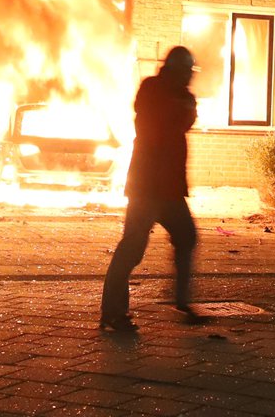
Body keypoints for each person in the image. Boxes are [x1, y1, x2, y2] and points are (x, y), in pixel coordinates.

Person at [99, 45, 200, 333]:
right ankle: (112, 312)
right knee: (132, 249)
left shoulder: (180, 96)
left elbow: (185, 120)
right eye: (187, 71)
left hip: (168, 190)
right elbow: (166, 120)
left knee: (186, 236)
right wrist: (181, 106)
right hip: (147, 187)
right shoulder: (152, 89)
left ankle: (182, 302)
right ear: (177, 70)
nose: (191, 77)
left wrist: (184, 106)